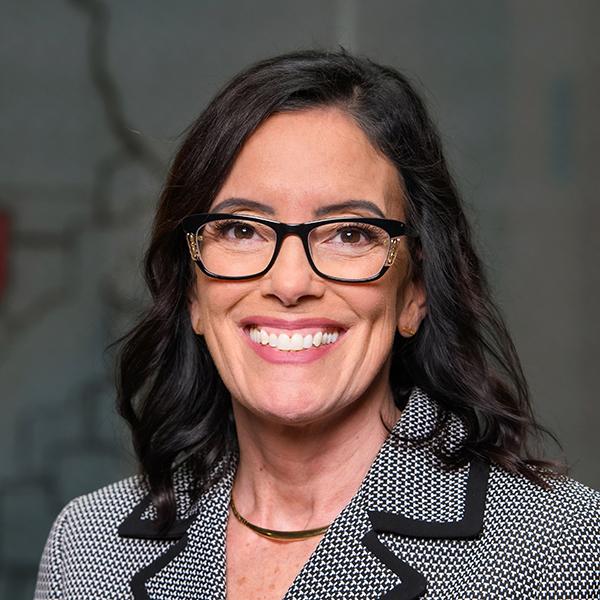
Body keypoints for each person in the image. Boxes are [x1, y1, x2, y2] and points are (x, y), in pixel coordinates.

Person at [34, 49, 598, 600]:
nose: (289, 283)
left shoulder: (560, 548)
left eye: (350, 234)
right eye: (241, 230)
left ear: (415, 292)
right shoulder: (87, 548)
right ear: (192, 293)